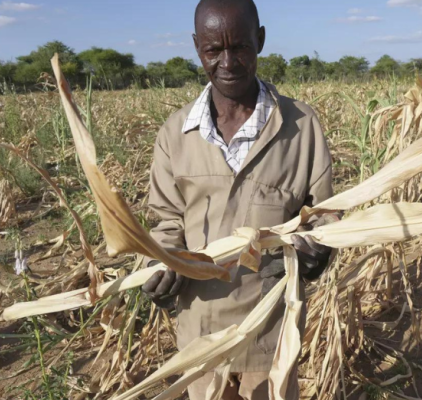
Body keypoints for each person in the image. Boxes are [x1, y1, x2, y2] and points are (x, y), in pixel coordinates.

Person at [139, 0, 337, 398]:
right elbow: (166, 222)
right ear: (198, 48)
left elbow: (323, 216)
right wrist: (157, 266)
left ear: (260, 40)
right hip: (200, 332)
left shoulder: (301, 126)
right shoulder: (176, 133)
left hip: (271, 330)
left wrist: (320, 248)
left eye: (241, 47)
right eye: (214, 50)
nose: (227, 62)